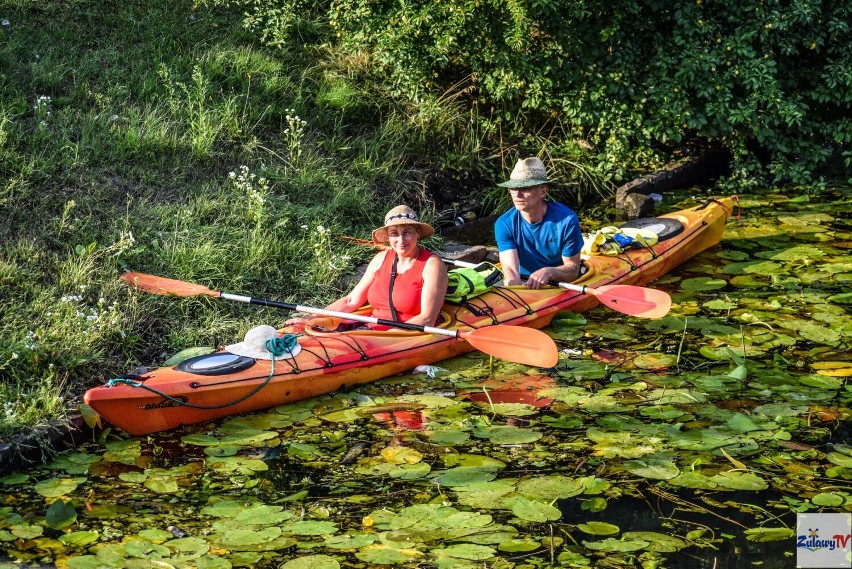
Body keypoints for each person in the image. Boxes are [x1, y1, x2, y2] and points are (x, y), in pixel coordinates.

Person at [288, 205, 448, 330]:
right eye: (394, 233)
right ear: (388, 237)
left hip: (405, 332)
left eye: (407, 232)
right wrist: (312, 318)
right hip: (372, 328)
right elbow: (350, 301)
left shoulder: (432, 265)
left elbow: (427, 318)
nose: (401, 240)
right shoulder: (380, 259)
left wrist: (386, 338)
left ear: (418, 233)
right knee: (309, 330)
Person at [494, 157, 583, 289]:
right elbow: (511, 272)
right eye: (513, 188)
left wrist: (549, 272)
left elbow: (573, 270)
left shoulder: (567, 220)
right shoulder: (504, 223)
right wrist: (514, 289)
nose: (517, 195)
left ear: (543, 191)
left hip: (557, 280)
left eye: (525, 188)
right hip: (523, 280)